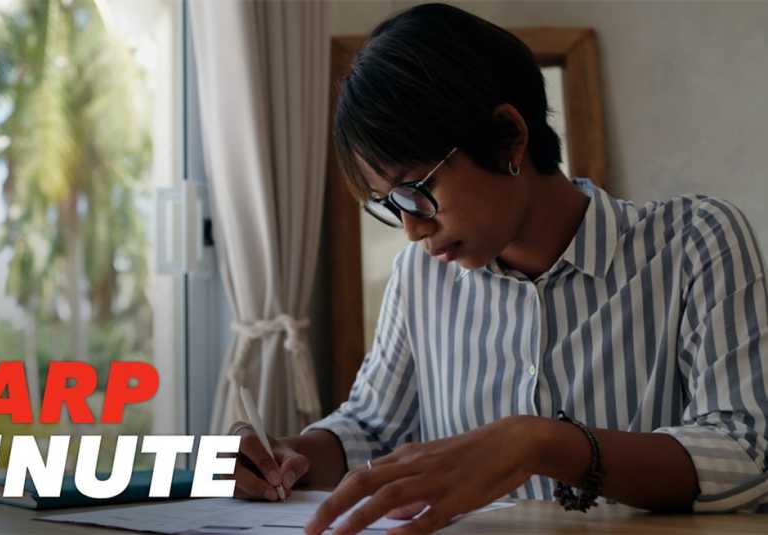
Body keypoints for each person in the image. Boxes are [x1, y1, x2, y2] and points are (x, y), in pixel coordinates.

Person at [229, 3, 768, 533]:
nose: (412, 229)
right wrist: (288, 455)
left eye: (416, 191)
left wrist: (543, 444)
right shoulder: (420, 279)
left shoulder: (694, 243)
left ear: (508, 136)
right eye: (389, 204)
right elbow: (370, 430)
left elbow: (745, 455)